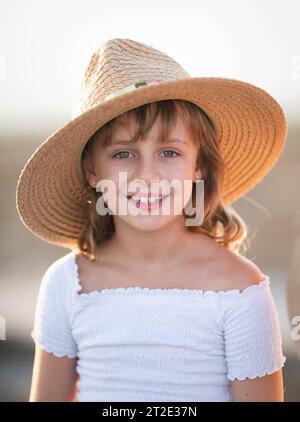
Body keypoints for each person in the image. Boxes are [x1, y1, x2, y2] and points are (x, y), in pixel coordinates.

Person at [16, 38, 287, 402]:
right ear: (92, 170)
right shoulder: (69, 283)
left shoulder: (239, 289)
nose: (147, 175)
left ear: (199, 167)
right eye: (124, 153)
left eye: (169, 152)